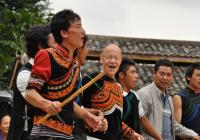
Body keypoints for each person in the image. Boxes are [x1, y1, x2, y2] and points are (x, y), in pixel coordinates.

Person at [25, 9, 103, 140]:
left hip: (66, 134)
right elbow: (30, 93)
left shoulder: (74, 64)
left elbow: (66, 102)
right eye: (78, 27)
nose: (82, 32)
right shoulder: (47, 55)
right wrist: (46, 104)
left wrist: (86, 115)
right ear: (64, 32)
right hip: (45, 134)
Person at [81, 44, 141, 140]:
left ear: (120, 61)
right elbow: (77, 110)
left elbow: (116, 121)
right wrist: (96, 124)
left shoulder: (118, 87)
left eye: (116, 58)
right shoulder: (89, 81)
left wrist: (132, 134)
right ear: (101, 59)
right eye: (109, 57)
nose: (113, 61)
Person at [7, 24, 56, 140]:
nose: (60, 47)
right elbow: (45, 103)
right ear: (41, 46)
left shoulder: (52, 71)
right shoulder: (26, 74)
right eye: (55, 42)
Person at [137, 58, 200, 140]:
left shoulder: (169, 99)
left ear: (172, 77)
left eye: (168, 75)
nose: (165, 78)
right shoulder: (144, 94)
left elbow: (173, 125)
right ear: (154, 73)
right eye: (162, 74)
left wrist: (193, 135)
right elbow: (139, 122)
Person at [116, 57, 162, 140]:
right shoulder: (113, 94)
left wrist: (159, 138)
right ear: (121, 75)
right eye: (132, 72)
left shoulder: (134, 96)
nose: (136, 76)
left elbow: (143, 120)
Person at [173, 62, 200, 136]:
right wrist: (192, 136)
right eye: (198, 75)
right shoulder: (179, 97)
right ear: (188, 77)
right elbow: (175, 127)